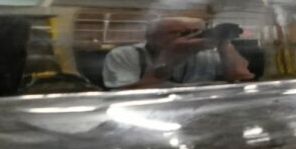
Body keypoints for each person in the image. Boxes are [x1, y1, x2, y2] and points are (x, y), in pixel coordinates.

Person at [103, 16, 253, 89]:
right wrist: (170, 56)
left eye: (195, 32)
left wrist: (224, 43)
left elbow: (240, 78)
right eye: (176, 33)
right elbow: (123, 93)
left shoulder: (205, 54)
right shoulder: (125, 55)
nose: (188, 37)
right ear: (151, 37)